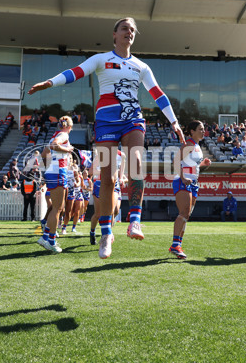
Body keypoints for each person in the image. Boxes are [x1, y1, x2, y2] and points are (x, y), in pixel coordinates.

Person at [28, 17, 185, 259]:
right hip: (105, 121)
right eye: (124, 28)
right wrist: (50, 82)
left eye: (132, 30)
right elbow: (75, 72)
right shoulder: (101, 59)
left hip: (133, 118)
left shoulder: (141, 66)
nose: (129, 32)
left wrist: (174, 121)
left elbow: (157, 94)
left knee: (135, 164)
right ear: (114, 34)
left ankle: (134, 221)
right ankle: (106, 234)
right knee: (108, 178)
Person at [170, 121, 211, 259]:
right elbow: (175, 161)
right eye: (200, 129)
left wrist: (203, 164)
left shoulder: (197, 146)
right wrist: (182, 178)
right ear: (192, 131)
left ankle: (178, 245)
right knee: (183, 213)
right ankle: (175, 245)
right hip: (183, 181)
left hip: (193, 183)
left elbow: (192, 165)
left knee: (187, 216)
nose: (203, 131)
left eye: (204, 129)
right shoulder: (188, 144)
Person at [35, 116, 74, 253]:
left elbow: (45, 153)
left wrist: (49, 168)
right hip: (58, 172)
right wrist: (67, 150)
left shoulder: (54, 135)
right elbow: (54, 146)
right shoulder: (63, 135)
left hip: (53, 171)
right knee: (57, 208)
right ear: (70, 126)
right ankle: (50, 240)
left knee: (58, 207)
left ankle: (46, 236)